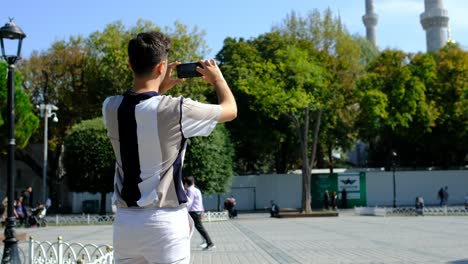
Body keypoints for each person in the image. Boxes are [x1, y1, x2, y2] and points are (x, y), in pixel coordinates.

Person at [102, 31, 236, 264]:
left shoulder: (110, 107)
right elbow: (230, 110)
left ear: (130, 64)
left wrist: (158, 88)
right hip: (165, 221)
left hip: (125, 222)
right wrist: (218, 79)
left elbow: (141, 109)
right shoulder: (177, 109)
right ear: (161, 66)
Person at [184, 176, 215, 251]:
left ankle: (210, 243)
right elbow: (200, 202)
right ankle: (208, 242)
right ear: (193, 182)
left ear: (186, 183)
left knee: (198, 228)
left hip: (193, 212)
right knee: (198, 228)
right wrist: (202, 211)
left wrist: (184, 211)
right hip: (197, 211)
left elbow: (189, 202)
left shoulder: (190, 191)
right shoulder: (197, 190)